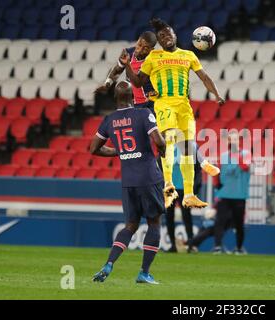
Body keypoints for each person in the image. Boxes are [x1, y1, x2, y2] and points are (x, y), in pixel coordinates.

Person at [123, 18, 224, 209]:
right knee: (169, 141)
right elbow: (137, 82)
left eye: (168, 33)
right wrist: (128, 65)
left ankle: (189, 194)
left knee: (186, 150)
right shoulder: (153, 57)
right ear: (159, 42)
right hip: (163, 104)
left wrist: (217, 94)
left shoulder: (188, 55)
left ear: (175, 35)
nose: (165, 37)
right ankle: (168, 187)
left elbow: (204, 77)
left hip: (184, 106)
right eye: (161, 36)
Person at [91, 81, 166, 285]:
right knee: (154, 223)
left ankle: (109, 263)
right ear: (133, 97)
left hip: (128, 180)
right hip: (149, 178)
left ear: (115, 98)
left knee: (130, 225)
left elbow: (94, 148)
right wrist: (164, 148)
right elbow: (158, 141)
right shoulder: (143, 114)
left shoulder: (109, 119)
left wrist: (119, 151)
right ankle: (144, 272)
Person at [95, 31, 158, 110]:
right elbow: (117, 70)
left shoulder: (154, 59)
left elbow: (138, 83)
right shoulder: (128, 53)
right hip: (132, 103)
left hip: (151, 103)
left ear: (151, 49)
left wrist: (127, 64)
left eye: (145, 48)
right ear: (138, 40)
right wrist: (107, 84)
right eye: (139, 44)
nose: (140, 49)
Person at [213, 131, 251, 255]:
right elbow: (218, 174)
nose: (233, 142)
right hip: (224, 194)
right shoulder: (223, 156)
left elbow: (245, 167)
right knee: (220, 221)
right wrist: (216, 189)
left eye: (235, 140)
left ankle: (239, 247)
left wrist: (236, 155)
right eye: (231, 140)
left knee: (239, 223)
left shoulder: (245, 154)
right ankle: (218, 246)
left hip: (239, 195)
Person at [164, 145, 202, 252]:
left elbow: (198, 167)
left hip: (185, 187)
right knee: (169, 216)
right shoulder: (168, 145)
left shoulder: (191, 146)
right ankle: (173, 245)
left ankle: (190, 243)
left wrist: (196, 186)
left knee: (186, 215)